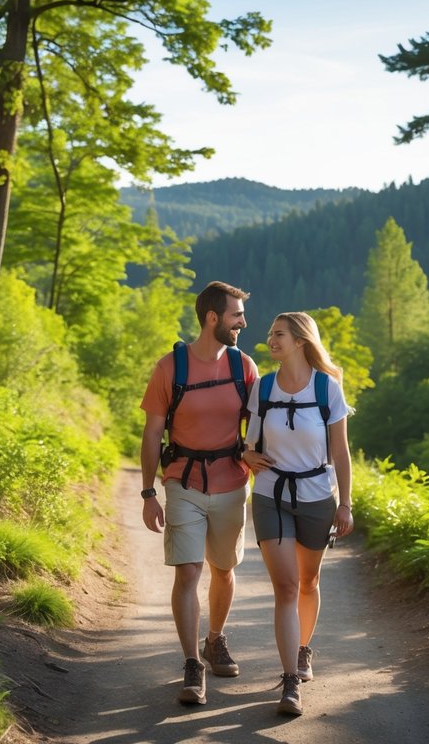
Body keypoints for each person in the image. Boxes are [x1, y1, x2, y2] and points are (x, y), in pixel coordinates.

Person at [139, 281, 259, 706]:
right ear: (213, 318)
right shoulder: (170, 368)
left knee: (223, 570)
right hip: (182, 483)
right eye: (236, 315)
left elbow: (259, 429)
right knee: (188, 571)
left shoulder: (245, 367)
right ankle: (192, 663)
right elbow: (153, 432)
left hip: (231, 483)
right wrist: (148, 491)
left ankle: (215, 639)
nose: (243, 323)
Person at [241, 311, 354, 717]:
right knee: (286, 587)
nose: (271, 340)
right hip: (270, 493)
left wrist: (345, 503)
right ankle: (290, 681)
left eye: (279, 334)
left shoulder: (328, 388)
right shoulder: (264, 387)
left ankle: (304, 650)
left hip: (317, 496)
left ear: (301, 341)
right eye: (270, 333)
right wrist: (246, 453)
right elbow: (249, 443)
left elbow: (340, 452)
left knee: (308, 581)